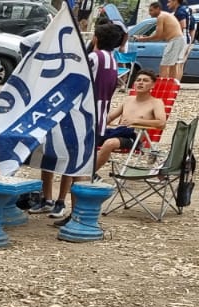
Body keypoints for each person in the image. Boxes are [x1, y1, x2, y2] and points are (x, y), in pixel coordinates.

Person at [46, 21, 128, 221]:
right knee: (81, 165)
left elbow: (77, 84)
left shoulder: (92, 58)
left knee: (77, 167)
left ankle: (77, 214)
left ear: (96, 38)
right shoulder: (113, 59)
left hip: (83, 117)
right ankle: (76, 212)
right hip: (100, 117)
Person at [93, 70, 166, 171]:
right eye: (138, 80)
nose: (140, 83)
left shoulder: (156, 103)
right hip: (117, 132)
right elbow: (109, 118)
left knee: (110, 143)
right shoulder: (128, 100)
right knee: (87, 137)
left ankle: (90, 174)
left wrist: (136, 121)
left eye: (145, 81)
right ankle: (82, 172)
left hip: (134, 138)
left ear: (153, 85)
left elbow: (161, 123)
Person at [133, 1, 184, 80]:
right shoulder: (165, 15)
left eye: (151, 10)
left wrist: (144, 39)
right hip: (178, 40)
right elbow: (162, 36)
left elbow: (158, 35)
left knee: (164, 65)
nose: (150, 13)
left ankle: (162, 85)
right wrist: (147, 37)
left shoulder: (161, 16)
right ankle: (171, 86)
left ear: (158, 9)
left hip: (175, 40)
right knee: (173, 65)